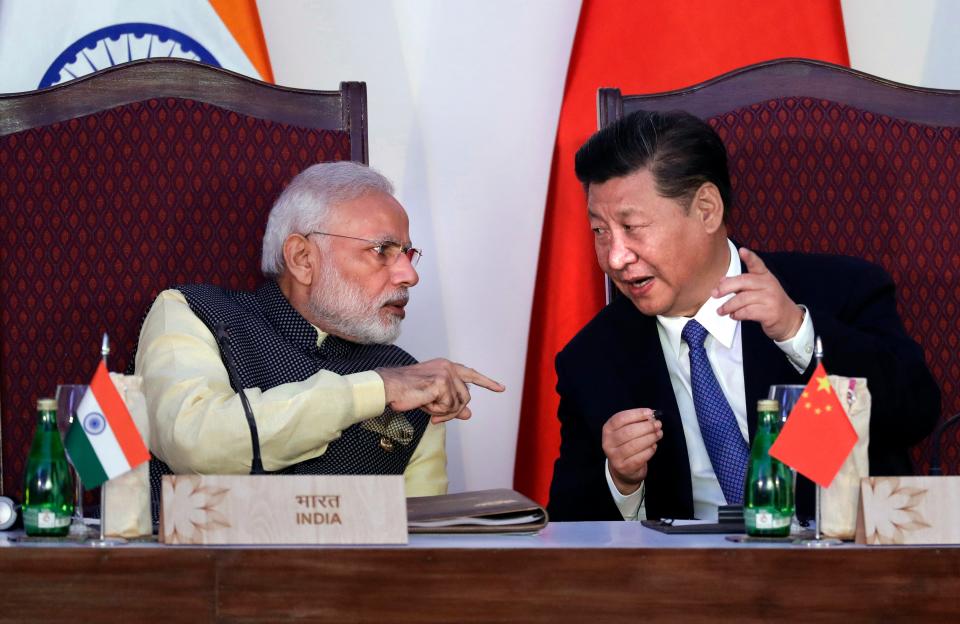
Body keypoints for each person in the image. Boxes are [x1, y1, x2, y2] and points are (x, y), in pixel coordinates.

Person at [547, 110, 940, 522]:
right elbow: (567, 531)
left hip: (835, 572)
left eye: (632, 226)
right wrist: (621, 479)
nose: (615, 257)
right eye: (600, 231)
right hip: (681, 581)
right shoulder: (592, 359)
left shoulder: (838, 292)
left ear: (706, 209)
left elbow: (914, 414)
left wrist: (798, 332)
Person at [135, 161, 504, 500]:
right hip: (202, 569)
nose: (410, 275)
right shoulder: (194, 311)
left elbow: (422, 540)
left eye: (407, 254)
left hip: (354, 573)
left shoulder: (411, 377)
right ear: (303, 259)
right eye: (381, 250)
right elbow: (196, 444)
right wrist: (378, 388)